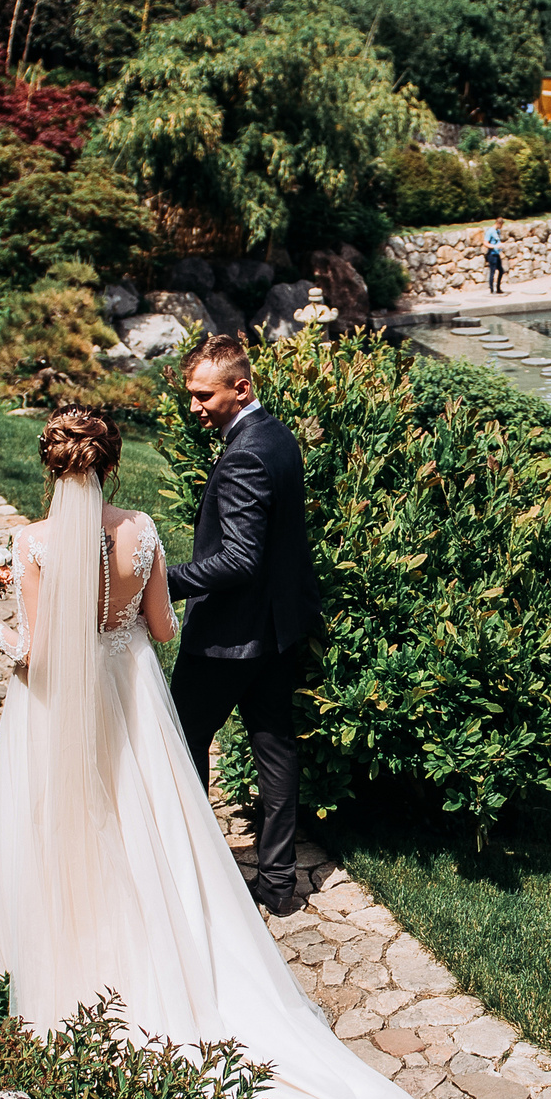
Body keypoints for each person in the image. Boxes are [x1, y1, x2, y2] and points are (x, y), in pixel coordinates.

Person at [0, 399, 433, 1099]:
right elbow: (164, 630)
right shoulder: (141, 534)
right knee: (148, 830)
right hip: (130, 695)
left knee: (62, 828)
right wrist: (123, 626)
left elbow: (33, 656)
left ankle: (62, 958)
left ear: (51, 466)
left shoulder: (30, 544)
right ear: (110, 462)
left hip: (56, 712)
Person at [164, 336, 324, 919]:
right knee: (275, 748)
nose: (194, 407)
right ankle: (279, 885)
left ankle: (193, 873)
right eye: (191, 396)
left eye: (204, 395)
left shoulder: (244, 454)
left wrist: (157, 584)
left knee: (181, 745)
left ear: (242, 388)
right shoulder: (277, 436)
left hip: (229, 639)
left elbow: (238, 559)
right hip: (279, 630)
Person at [485, 217, 506, 293]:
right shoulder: (490, 231)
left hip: (497, 254)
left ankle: (498, 288)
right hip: (492, 254)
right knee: (492, 272)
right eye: (501, 225)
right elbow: (485, 243)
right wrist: (495, 246)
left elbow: (497, 241)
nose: (501, 227)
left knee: (501, 270)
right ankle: (491, 289)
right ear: (498, 223)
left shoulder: (498, 231)